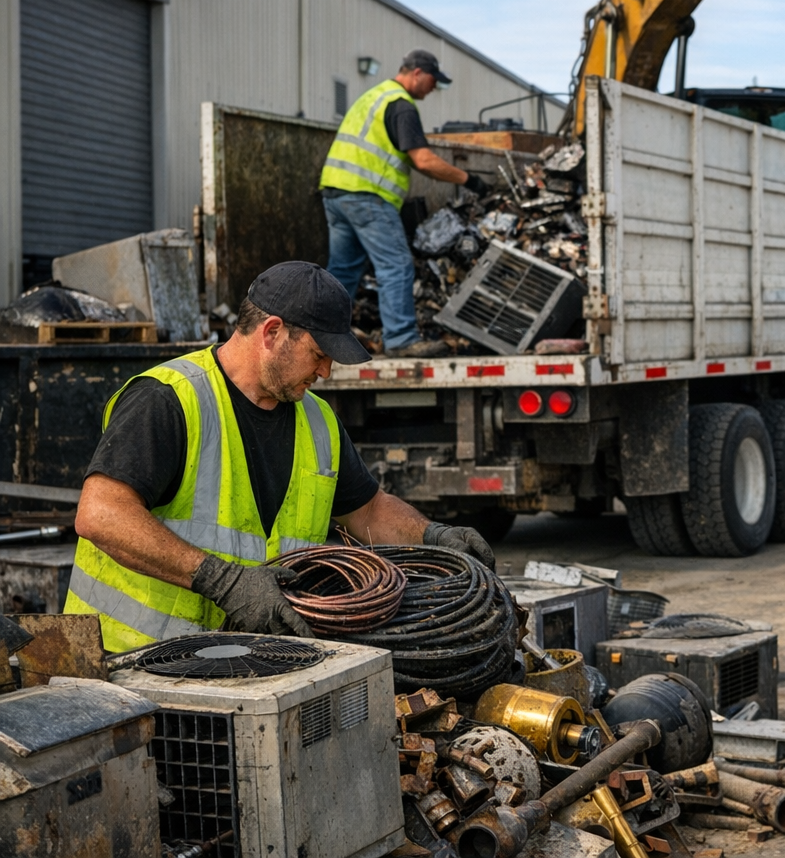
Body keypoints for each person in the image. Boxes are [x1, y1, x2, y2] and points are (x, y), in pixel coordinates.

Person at [64, 261, 496, 652]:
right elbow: (101, 514)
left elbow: (368, 510)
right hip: (127, 665)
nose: (325, 372)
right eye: (319, 355)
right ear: (271, 332)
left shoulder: (318, 420)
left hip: (239, 664)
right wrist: (222, 581)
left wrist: (433, 536)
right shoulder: (169, 399)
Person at [321, 49, 493, 359]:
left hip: (336, 191)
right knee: (396, 265)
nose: (433, 87)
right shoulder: (401, 105)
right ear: (417, 73)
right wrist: (469, 180)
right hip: (368, 196)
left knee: (342, 272)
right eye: (432, 80)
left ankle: (320, 338)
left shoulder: (373, 96)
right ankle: (400, 339)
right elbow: (423, 161)